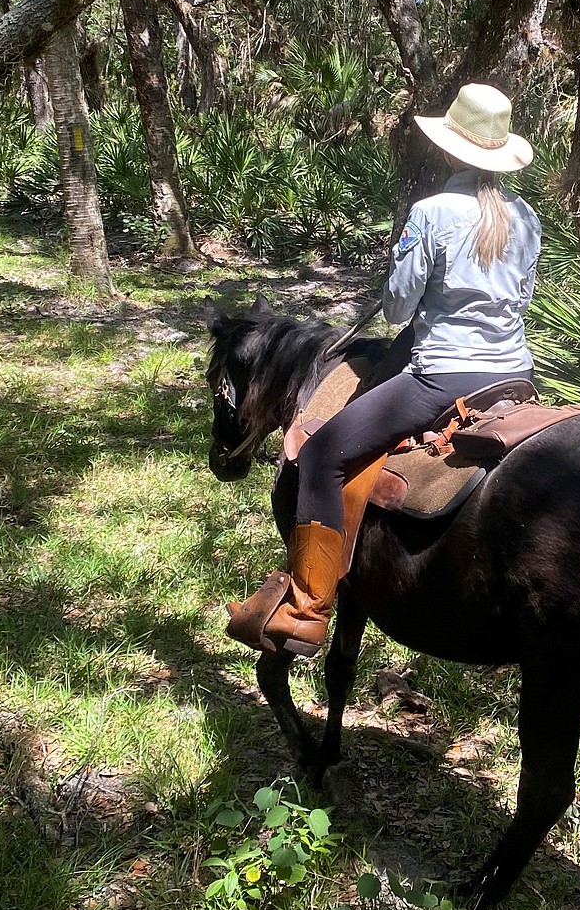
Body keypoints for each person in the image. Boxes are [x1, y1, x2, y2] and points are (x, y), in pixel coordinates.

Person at [226, 83, 542, 656]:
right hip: (515, 373)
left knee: (322, 454)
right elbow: (521, 297)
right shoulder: (525, 217)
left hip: (443, 375)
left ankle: (307, 610)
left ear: (448, 148)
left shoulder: (431, 212)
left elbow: (398, 309)